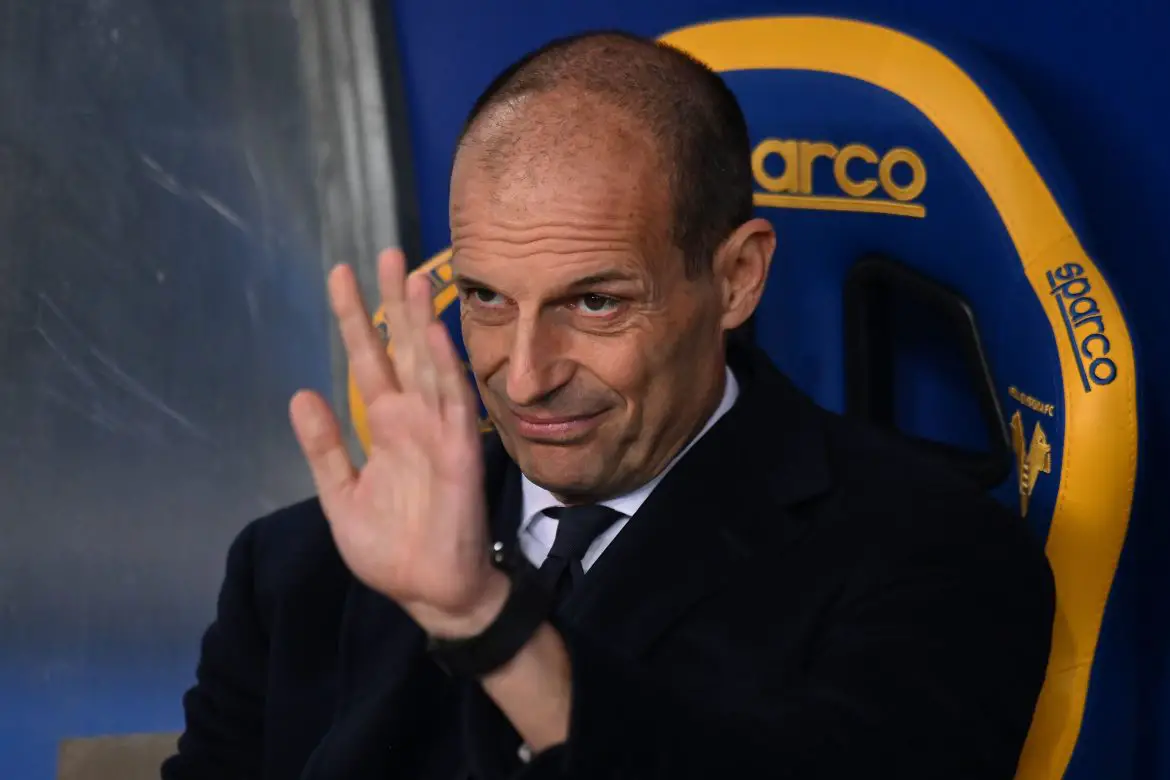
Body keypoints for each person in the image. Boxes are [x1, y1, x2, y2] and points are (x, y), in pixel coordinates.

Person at [161, 30, 1055, 780]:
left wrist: (488, 625)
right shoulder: (297, 570)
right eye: (485, 298)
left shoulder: (935, 555)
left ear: (737, 278)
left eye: (595, 303)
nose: (523, 377)